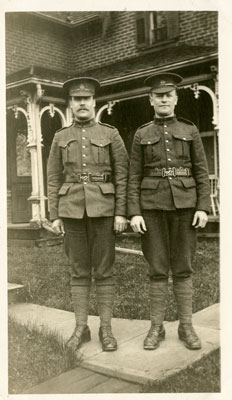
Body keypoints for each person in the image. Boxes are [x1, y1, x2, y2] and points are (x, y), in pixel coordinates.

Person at [127, 72, 210, 350]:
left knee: (183, 268)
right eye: (158, 95)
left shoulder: (190, 130)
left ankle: (186, 327)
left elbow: (201, 170)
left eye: (168, 95)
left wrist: (203, 206)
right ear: (151, 100)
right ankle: (156, 327)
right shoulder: (142, 134)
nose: (163, 99)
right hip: (151, 208)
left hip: (186, 207)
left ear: (175, 98)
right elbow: (133, 175)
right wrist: (134, 212)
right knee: (157, 268)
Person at [47, 77, 129, 351]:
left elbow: (123, 175)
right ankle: (81, 328)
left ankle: (106, 329)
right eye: (76, 99)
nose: (82, 103)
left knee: (104, 270)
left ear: (94, 102)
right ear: (70, 104)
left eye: (86, 99)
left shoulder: (110, 134)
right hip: (71, 211)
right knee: (78, 270)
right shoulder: (60, 137)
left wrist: (121, 212)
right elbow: (53, 177)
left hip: (104, 210)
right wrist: (55, 214)